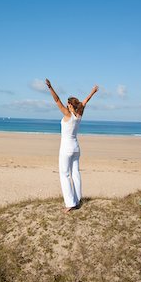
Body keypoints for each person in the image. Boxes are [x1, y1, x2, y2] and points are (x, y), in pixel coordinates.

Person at [45, 79, 99, 212]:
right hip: (76, 148)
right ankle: (78, 199)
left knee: (65, 175)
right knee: (75, 173)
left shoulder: (68, 114)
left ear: (70, 105)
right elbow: (85, 101)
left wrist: (50, 87)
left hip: (66, 149)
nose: (65, 104)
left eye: (67, 103)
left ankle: (70, 203)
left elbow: (57, 100)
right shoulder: (79, 114)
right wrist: (92, 92)